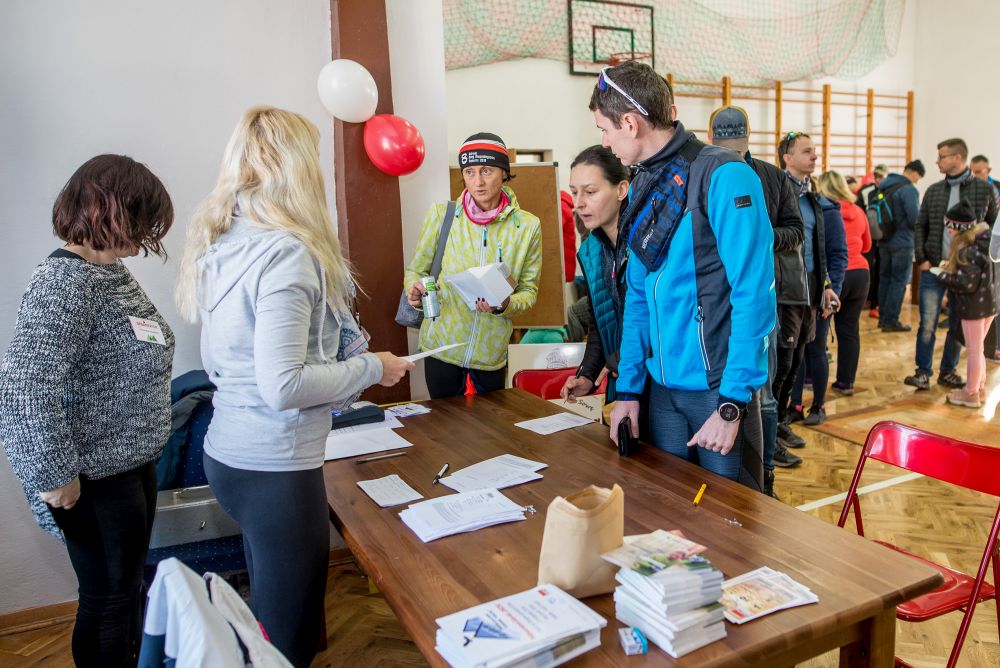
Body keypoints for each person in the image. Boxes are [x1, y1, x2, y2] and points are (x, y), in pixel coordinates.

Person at [174, 106, 413, 668]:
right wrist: (372, 368)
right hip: (273, 463)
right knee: (290, 636)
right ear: (299, 167)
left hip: (228, 453)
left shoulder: (226, 241)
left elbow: (226, 362)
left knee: (270, 619)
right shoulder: (286, 253)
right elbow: (283, 385)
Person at [0, 154, 175, 667]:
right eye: (142, 221)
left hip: (131, 465)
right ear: (112, 211)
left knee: (127, 591)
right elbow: (24, 387)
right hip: (93, 479)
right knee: (108, 601)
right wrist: (54, 475)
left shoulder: (110, 272)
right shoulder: (64, 282)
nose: (146, 237)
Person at [594, 61, 775, 487]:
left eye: (604, 129)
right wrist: (629, 391)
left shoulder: (725, 175)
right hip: (663, 394)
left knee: (733, 520)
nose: (603, 141)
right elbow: (639, 296)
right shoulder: (643, 183)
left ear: (630, 123)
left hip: (718, 393)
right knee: (670, 512)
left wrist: (731, 404)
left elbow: (754, 295)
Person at [708, 105, 806, 493]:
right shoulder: (703, 173)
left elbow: (795, 231)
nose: (732, 155)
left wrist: (758, 236)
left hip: (761, 299)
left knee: (763, 395)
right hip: (715, 303)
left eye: (738, 148)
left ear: (748, 143)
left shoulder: (772, 177)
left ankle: (766, 476)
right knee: (722, 389)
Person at [404, 132, 542, 398]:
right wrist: (415, 289)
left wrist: (505, 304)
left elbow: (529, 291)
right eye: (469, 172)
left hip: (490, 356)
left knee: (488, 425)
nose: (477, 181)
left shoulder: (527, 226)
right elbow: (416, 269)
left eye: (486, 171)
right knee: (444, 422)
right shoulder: (442, 215)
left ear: (504, 172)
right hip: (442, 349)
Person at [905, 137, 998, 390]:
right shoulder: (934, 190)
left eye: (942, 157)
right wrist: (922, 259)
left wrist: (984, 263)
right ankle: (922, 372)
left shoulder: (985, 189)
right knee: (927, 323)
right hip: (933, 268)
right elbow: (920, 225)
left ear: (957, 157)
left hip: (966, 272)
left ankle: (948, 371)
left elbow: (992, 229)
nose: (937, 161)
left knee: (958, 325)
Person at [777, 132, 848, 434]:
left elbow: (832, 252)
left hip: (813, 289)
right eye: (807, 151)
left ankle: (814, 406)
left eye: (815, 151)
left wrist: (831, 287)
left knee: (809, 353)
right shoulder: (774, 195)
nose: (814, 156)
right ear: (787, 157)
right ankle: (785, 414)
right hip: (783, 291)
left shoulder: (819, 202)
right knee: (786, 359)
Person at [559, 145, 630, 406]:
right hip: (620, 377)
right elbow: (600, 324)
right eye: (574, 192)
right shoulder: (591, 251)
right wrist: (587, 375)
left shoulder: (646, 244)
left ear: (621, 190)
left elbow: (661, 322)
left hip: (657, 381)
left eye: (590, 192)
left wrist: (621, 358)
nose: (578, 203)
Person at [932, 199, 998, 408]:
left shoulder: (968, 250)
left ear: (958, 227)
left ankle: (970, 393)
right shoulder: (986, 242)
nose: (948, 231)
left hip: (974, 307)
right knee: (978, 349)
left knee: (974, 351)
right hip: (990, 304)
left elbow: (966, 283)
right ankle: (978, 388)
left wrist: (941, 274)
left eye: (949, 227)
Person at [819, 171, 871, 395]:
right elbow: (867, 245)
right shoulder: (858, 211)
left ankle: (811, 376)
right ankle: (846, 382)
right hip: (860, 273)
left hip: (834, 276)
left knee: (819, 329)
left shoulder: (823, 211)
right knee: (850, 329)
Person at [876, 164, 921, 332]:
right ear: (915, 173)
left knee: (885, 279)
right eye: (918, 177)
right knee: (898, 281)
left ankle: (883, 318)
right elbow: (914, 218)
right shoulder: (908, 189)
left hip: (883, 239)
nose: (917, 181)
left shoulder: (885, 185)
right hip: (902, 242)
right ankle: (890, 320)